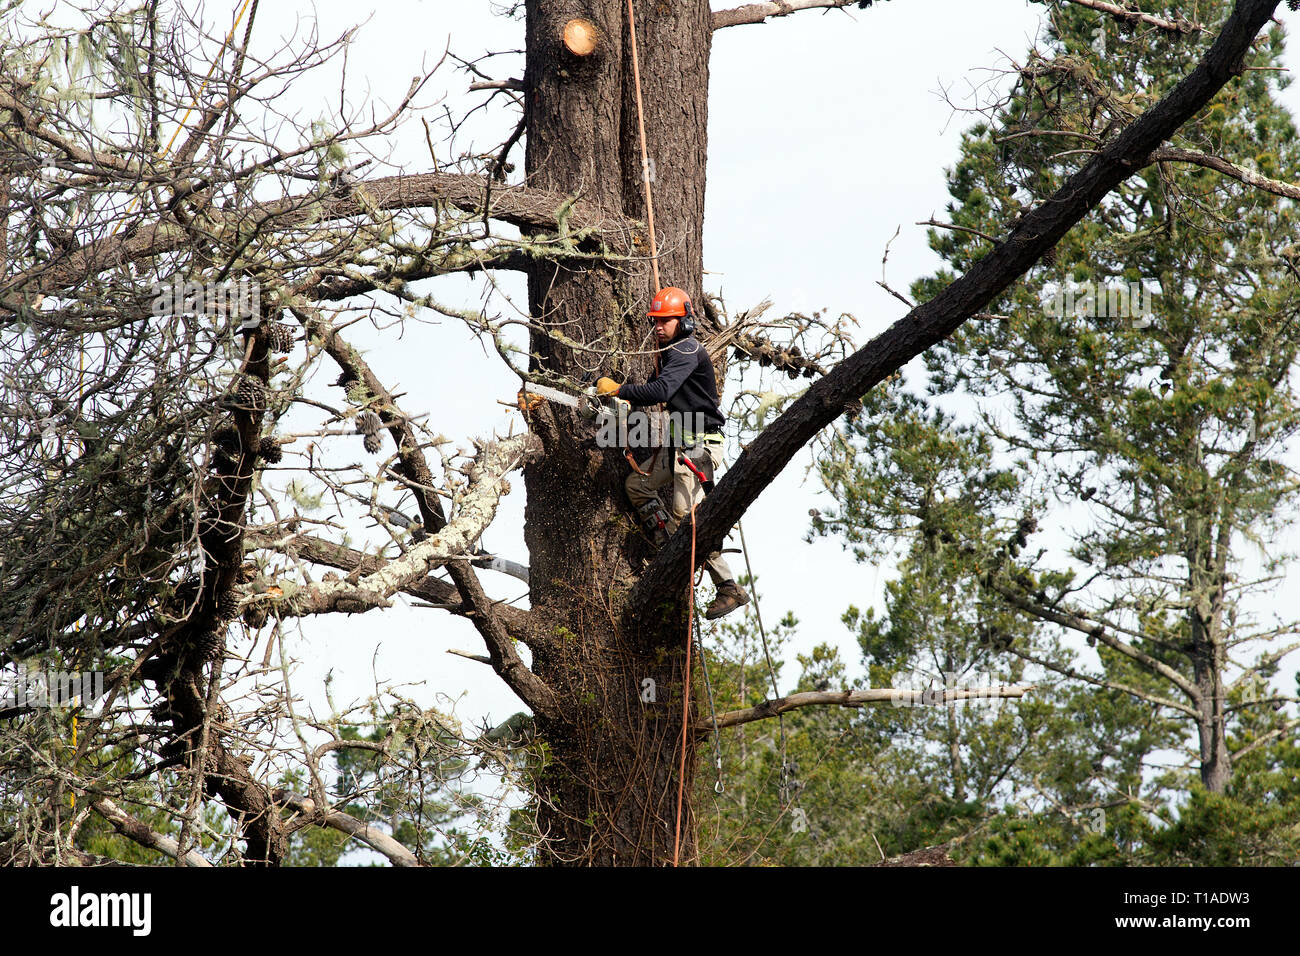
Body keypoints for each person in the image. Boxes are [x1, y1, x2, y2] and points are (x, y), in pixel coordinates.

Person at [596, 286, 751, 620]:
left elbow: (661, 390)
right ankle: (668, 545)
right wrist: (617, 403)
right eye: (657, 321)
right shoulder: (669, 353)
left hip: (699, 445)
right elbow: (652, 392)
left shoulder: (685, 349)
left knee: (689, 517)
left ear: (685, 321)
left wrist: (621, 388)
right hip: (679, 443)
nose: (659, 326)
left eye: (666, 320)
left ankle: (728, 586)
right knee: (637, 487)